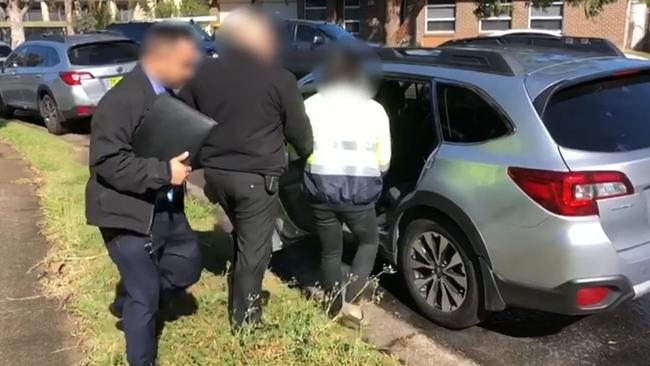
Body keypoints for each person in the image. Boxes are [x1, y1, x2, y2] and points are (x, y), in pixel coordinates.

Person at [179, 8, 313, 328]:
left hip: (216, 174)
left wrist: (195, 156)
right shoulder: (279, 79)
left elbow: (182, 117)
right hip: (256, 177)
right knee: (257, 249)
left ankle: (243, 292)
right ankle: (246, 321)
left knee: (245, 236)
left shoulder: (201, 74)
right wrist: (301, 154)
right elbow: (300, 133)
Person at [85, 24, 202, 366]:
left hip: (163, 206)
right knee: (146, 295)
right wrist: (165, 172)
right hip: (124, 213)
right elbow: (107, 162)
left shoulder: (167, 96)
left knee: (187, 266)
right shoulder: (121, 101)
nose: (189, 71)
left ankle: (129, 302)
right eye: (184, 64)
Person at [303, 48, 391, 325]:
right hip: (360, 193)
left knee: (330, 251)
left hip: (320, 189)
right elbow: (385, 159)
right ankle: (351, 303)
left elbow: (297, 145)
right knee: (368, 241)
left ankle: (333, 306)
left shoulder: (311, 104)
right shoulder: (375, 109)